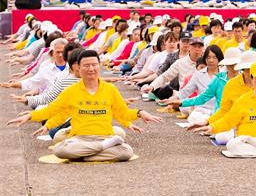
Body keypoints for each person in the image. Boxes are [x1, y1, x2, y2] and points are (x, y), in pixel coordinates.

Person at [7, 50, 161, 162]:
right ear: (78, 68)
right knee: (61, 150)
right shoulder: (71, 91)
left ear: (99, 66)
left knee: (126, 152)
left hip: (104, 135)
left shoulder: (110, 89)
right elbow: (52, 109)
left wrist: (140, 113)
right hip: (80, 138)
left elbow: (122, 113)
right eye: (86, 65)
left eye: (94, 65)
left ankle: (87, 153)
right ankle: (101, 148)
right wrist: (29, 116)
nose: (91, 69)